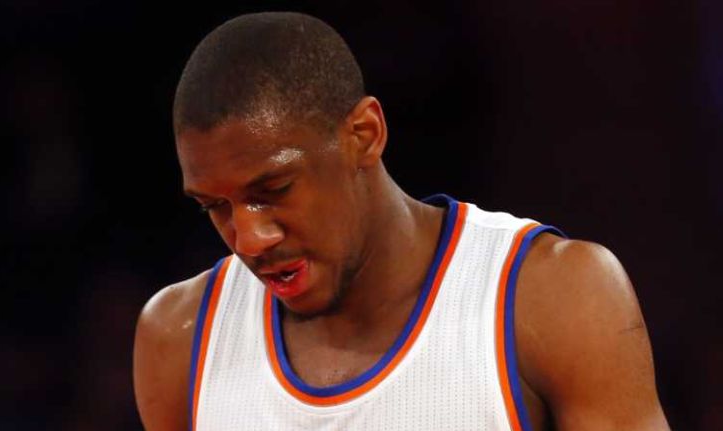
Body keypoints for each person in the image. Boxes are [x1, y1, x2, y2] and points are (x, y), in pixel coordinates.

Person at [133, 12, 669, 431]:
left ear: (364, 135)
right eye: (215, 207)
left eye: (273, 191)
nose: (248, 239)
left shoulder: (554, 297)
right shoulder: (177, 338)